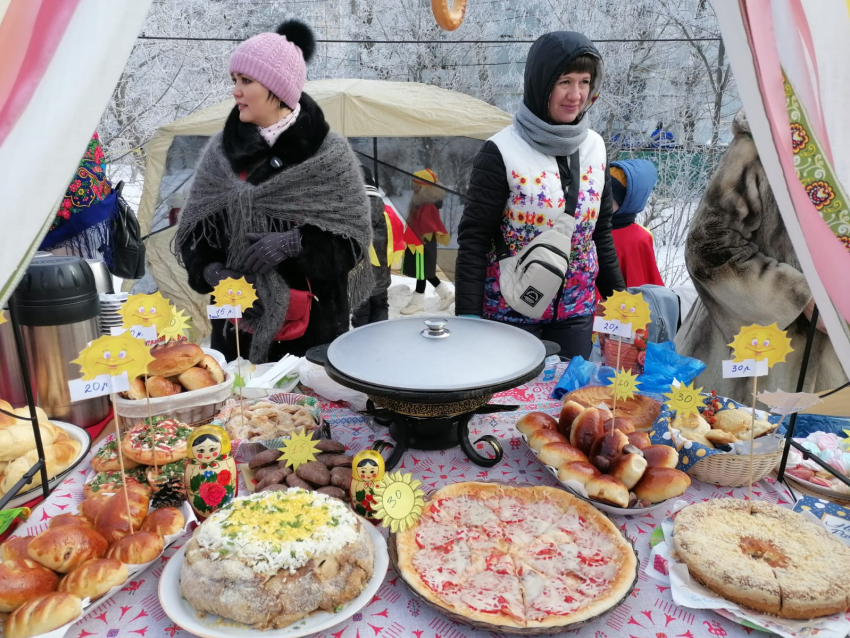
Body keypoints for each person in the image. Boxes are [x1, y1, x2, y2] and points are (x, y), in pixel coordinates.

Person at [175, 20, 372, 364]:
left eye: (246, 81)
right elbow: (195, 233)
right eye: (234, 80)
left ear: (278, 88)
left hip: (312, 338)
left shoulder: (329, 156)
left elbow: (351, 243)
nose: (235, 90)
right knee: (238, 415)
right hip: (236, 333)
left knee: (304, 416)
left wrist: (296, 243)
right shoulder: (220, 154)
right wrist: (210, 271)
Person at [454, 31, 625, 358]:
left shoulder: (596, 148)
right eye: (565, 81)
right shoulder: (501, 151)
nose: (576, 95)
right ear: (541, 84)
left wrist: (622, 302)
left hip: (576, 313)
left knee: (569, 405)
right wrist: (468, 318)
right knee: (512, 408)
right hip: (509, 314)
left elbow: (599, 233)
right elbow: (475, 238)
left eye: (585, 81)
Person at [675, 111, 847, 403]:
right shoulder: (764, 139)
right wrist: (800, 297)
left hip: (835, 377)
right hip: (752, 369)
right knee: (742, 444)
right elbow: (709, 245)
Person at [400, 169, 455, 314]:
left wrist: (420, 237)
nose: (413, 187)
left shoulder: (427, 203)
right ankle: (446, 295)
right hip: (420, 240)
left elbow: (428, 223)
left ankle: (416, 302)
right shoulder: (421, 200)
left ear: (423, 186)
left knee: (422, 271)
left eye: (416, 185)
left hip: (423, 241)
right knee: (425, 271)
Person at [351, 165, 399, 327]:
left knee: (361, 311)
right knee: (380, 305)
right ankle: (379, 341)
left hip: (359, 277)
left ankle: (362, 346)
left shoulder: (352, 213)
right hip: (382, 274)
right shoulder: (387, 211)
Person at [609, 159, 664, 288]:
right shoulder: (588, 228)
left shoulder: (638, 238)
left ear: (626, 201)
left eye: (609, 198)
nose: (599, 201)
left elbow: (642, 285)